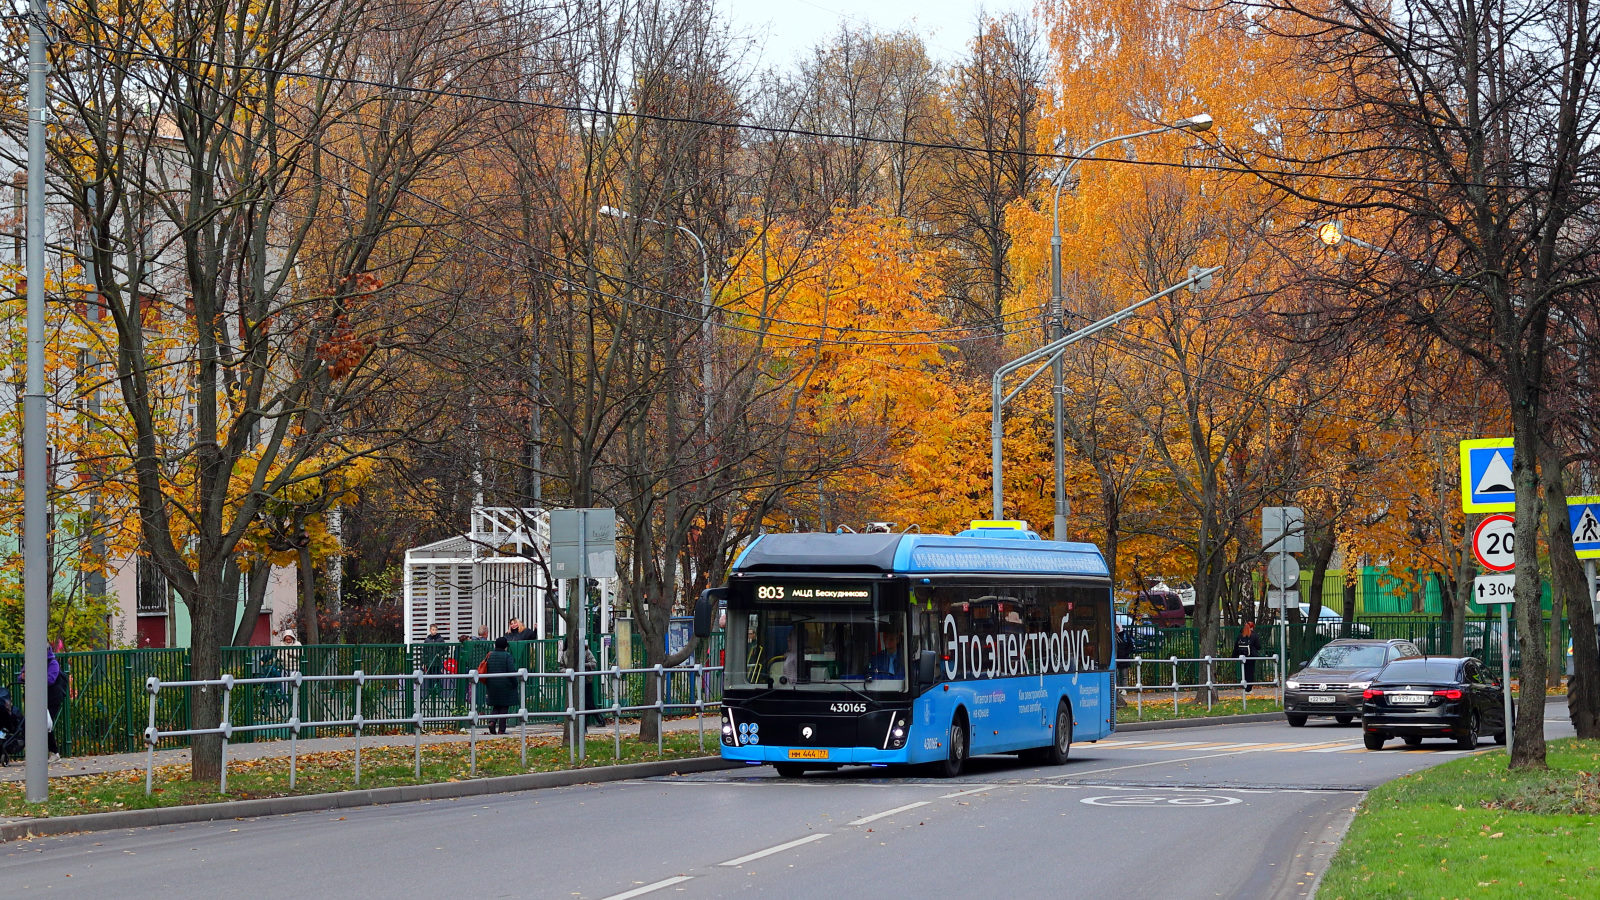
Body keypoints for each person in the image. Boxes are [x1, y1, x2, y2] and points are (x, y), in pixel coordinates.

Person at [20, 643, 69, 760]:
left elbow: (50, 680)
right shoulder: (31, 662)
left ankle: (53, 752)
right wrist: (24, 677)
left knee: (45, 723)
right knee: (35, 724)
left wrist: (33, 678)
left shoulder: (52, 663)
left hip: (52, 698)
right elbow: (21, 676)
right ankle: (45, 752)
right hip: (35, 698)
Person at [479, 637, 516, 735]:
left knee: (496, 706)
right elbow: (511, 671)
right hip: (505, 685)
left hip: (492, 684)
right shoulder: (507, 656)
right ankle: (501, 730)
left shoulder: (490, 655)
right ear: (505, 646)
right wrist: (514, 683)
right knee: (504, 707)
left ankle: (492, 721)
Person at [1234, 622, 1262, 692]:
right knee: (1250, 672)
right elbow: (1258, 647)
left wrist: (1234, 656)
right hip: (1251, 656)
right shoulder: (1254, 635)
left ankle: (1244, 686)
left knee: (1244, 672)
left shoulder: (1240, 635)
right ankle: (1249, 689)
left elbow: (1236, 647)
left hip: (1242, 656)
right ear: (1252, 627)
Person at [423, 624, 449, 699]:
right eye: (433, 630)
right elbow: (424, 652)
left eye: (435, 630)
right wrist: (424, 662)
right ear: (430, 630)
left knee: (438, 677)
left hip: (437, 662)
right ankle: (431, 692)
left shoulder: (440, 639)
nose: (434, 631)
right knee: (430, 678)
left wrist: (440, 654)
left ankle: (438, 691)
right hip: (429, 662)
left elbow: (446, 649)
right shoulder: (427, 640)